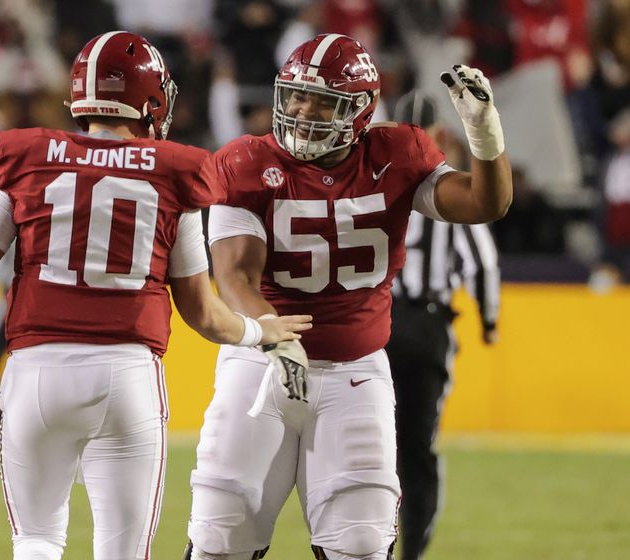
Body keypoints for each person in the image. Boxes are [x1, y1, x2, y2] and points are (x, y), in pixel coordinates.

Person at [0, 31, 312, 560]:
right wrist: (261, 332)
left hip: (36, 373)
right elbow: (203, 314)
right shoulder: (174, 171)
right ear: (149, 99)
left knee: (38, 541)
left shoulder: (25, 158)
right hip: (126, 376)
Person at [184, 33, 512, 560]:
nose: (301, 109)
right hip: (261, 362)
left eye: (321, 100)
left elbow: (483, 202)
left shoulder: (397, 153)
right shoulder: (244, 162)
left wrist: (483, 132)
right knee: (223, 532)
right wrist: (273, 334)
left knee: (359, 541)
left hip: (354, 369)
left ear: (359, 110)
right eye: (295, 94)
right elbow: (236, 276)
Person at [388, 90, 501, 560]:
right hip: (429, 326)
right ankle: (411, 549)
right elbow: (483, 265)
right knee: (417, 450)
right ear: (440, 135)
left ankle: (366, 545)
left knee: (369, 444)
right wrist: (488, 320)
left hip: (378, 327)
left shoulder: (377, 184)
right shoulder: (453, 191)